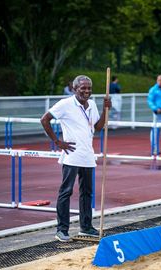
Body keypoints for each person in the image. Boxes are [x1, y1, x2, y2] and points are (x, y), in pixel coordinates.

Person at [41, 75, 111, 242]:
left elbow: (98, 127)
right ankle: (61, 230)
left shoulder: (92, 104)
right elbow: (44, 120)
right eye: (83, 88)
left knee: (87, 193)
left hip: (87, 155)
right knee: (66, 192)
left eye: (89, 88)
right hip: (72, 156)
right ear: (74, 89)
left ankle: (86, 227)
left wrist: (105, 110)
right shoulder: (65, 104)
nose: (86, 91)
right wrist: (57, 141)